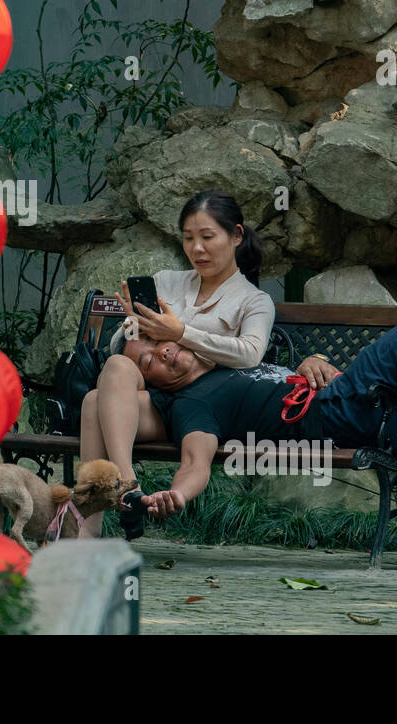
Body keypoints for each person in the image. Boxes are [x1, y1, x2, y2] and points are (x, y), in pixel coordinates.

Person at [80, 303, 397, 536]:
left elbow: (275, 369)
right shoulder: (194, 403)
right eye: (149, 364)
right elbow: (196, 461)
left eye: (161, 343)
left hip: (382, 406)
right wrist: (177, 496)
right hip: (342, 412)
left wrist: (308, 359)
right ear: (155, 386)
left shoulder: (229, 361)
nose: (163, 354)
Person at [78, 190, 275, 539]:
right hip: (151, 398)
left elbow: (250, 354)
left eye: (207, 237)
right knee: (113, 374)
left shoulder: (254, 300)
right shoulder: (166, 281)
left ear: (237, 236)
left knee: (94, 402)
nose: (197, 249)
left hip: (202, 407)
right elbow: (119, 347)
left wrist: (181, 332)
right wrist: (133, 327)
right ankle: (125, 487)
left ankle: (91, 524)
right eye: (188, 238)